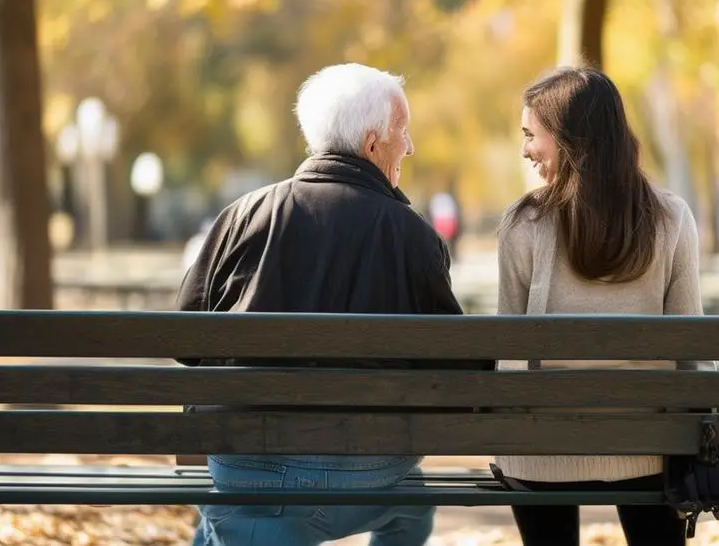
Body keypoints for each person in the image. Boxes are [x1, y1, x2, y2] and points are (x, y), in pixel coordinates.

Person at [177, 63, 493, 546]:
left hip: (246, 466)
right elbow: (452, 371)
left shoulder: (242, 216)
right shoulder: (412, 237)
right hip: (366, 471)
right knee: (411, 501)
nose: (410, 146)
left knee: (227, 514)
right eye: (402, 133)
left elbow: (185, 342)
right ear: (371, 145)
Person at [491, 67, 702, 546]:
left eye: (530, 135)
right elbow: (692, 344)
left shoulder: (524, 223)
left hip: (541, 451)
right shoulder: (671, 218)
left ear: (569, 139)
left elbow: (507, 353)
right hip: (649, 450)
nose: (524, 150)